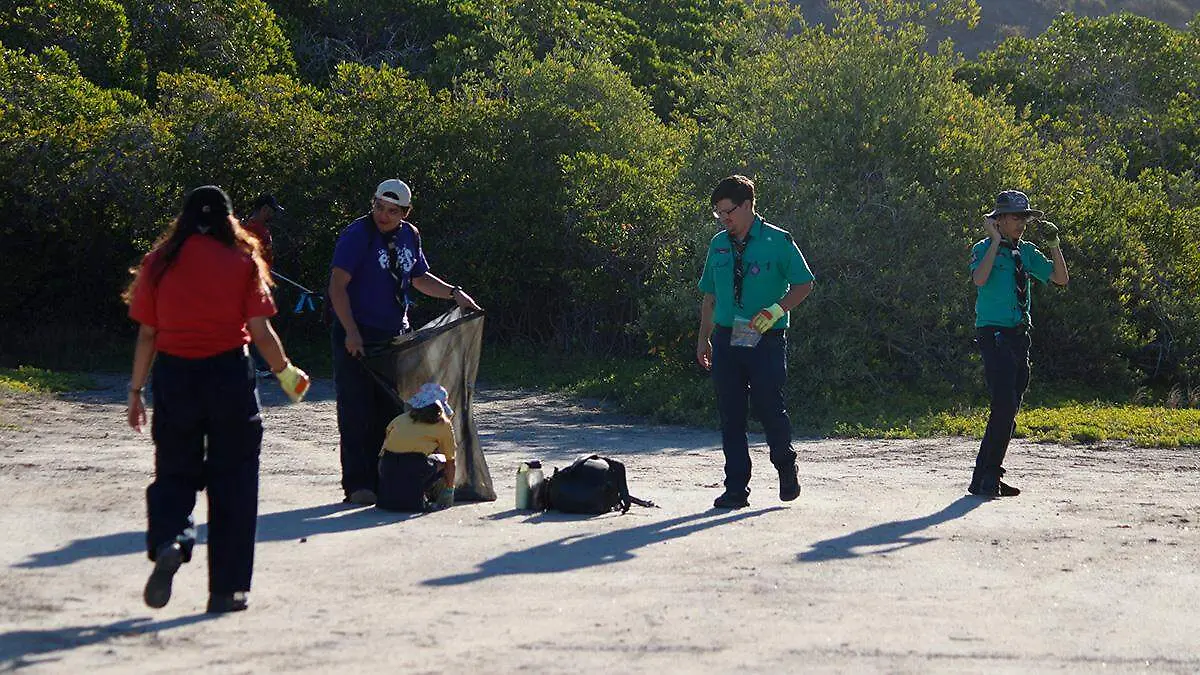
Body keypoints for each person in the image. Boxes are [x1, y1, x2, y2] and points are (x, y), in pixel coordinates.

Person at [124, 185, 311, 614]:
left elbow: (148, 334)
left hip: (175, 376)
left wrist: (135, 391)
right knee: (235, 479)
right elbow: (260, 331)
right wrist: (286, 373)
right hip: (229, 376)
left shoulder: (159, 262)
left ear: (185, 219)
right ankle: (227, 591)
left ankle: (171, 540)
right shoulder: (243, 259)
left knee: (174, 470)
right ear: (229, 219)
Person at [328, 178, 481, 506]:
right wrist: (351, 332)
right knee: (356, 411)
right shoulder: (357, 235)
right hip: (358, 333)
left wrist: (454, 294)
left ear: (405, 212)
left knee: (392, 412)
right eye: (379, 207)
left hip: (395, 336)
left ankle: (387, 480)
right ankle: (358, 485)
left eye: (392, 211)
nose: (383, 215)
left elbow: (419, 278)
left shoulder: (410, 235)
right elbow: (337, 286)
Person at [696, 175, 815, 509]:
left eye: (728, 211)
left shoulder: (778, 240)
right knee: (730, 414)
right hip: (726, 338)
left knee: (769, 407)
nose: (723, 218)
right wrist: (703, 339)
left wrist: (775, 311)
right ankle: (736, 488)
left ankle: (785, 465)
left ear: (747, 205)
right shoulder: (718, 244)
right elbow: (709, 297)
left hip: (766, 338)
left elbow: (804, 284)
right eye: (718, 213)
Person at [967, 190, 1068, 498]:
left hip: (1019, 334)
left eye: (1024, 218)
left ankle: (984, 477)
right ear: (999, 220)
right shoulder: (983, 248)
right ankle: (990, 477)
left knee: (1009, 408)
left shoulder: (1026, 252)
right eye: (1015, 217)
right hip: (993, 333)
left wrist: (1054, 245)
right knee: (1004, 404)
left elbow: (1060, 278)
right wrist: (995, 241)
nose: (1021, 223)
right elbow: (979, 279)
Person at [377, 382, 457, 512]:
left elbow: (384, 450)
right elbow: (451, 460)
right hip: (415, 467)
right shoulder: (443, 424)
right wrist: (450, 489)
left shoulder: (400, 419)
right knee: (443, 461)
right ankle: (431, 494)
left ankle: (400, 492)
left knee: (406, 463)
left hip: (387, 465)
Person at [241, 194, 284, 377]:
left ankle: (259, 363)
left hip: (261, 281)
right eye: (272, 211)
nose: (273, 215)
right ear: (265, 209)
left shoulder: (254, 228)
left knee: (256, 322)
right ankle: (261, 365)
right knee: (256, 322)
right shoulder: (252, 229)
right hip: (252, 283)